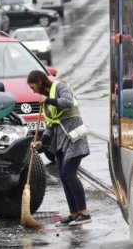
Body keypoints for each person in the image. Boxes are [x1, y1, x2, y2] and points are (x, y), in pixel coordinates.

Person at [27, 70, 92, 226]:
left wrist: (48, 100)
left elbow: (68, 102)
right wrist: (41, 142)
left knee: (69, 174)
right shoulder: (45, 102)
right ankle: (74, 213)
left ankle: (84, 213)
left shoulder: (60, 86)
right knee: (64, 177)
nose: (33, 90)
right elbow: (51, 125)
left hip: (74, 135)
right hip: (60, 140)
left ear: (40, 81)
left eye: (33, 86)